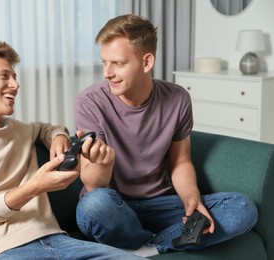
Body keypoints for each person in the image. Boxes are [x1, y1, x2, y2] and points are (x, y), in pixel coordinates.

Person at [0, 42, 147, 260]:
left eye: (15, 77)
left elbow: (48, 128)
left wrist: (58, 136)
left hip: (58, 240)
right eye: (4, 76)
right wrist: (34, 187)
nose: (15, 84)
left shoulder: (19, 130)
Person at [74, 14, 258, 256]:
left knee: (242, 207)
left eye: (117, 63)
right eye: (104, 63)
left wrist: (192, 200)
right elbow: (93, 184)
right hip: (115, 206)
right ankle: (161, 241)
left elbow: (180, 161)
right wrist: (103, 164)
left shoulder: (178, 98)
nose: (107, 73)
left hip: (160, 204)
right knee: (94, 205)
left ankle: (148, 247)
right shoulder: (89, 102)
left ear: (147, 62)